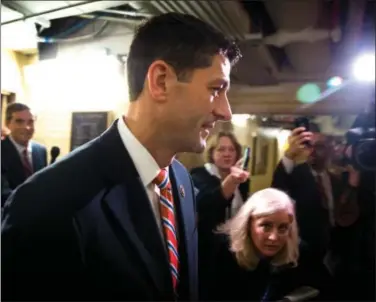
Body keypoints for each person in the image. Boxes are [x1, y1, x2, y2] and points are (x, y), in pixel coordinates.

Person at [1, 13, 241, 301]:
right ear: (161, 81)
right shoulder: (46, 202)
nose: (226, 111)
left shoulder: (181, 182)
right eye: (216, 89)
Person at [206, 188, 332, 301]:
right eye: (266, 226)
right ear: (248, 223)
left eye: (283, 228)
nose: (274, 237)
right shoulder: (223, 251)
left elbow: (326, 289)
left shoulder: (300, 252)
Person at [190, 131, 250, 299]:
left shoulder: (242, 179)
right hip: (208, 250)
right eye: (221, 149)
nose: (227, 154)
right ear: (211, 153)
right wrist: (231, 180)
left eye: (231, 150)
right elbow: (206, 205)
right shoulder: (198, 176)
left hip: (234, 247)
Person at [1, 103, 47, 204]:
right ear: (8, 123)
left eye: (31, 122)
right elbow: (3, 193)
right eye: (19, 121)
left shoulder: (40, 150)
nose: (27, 127)